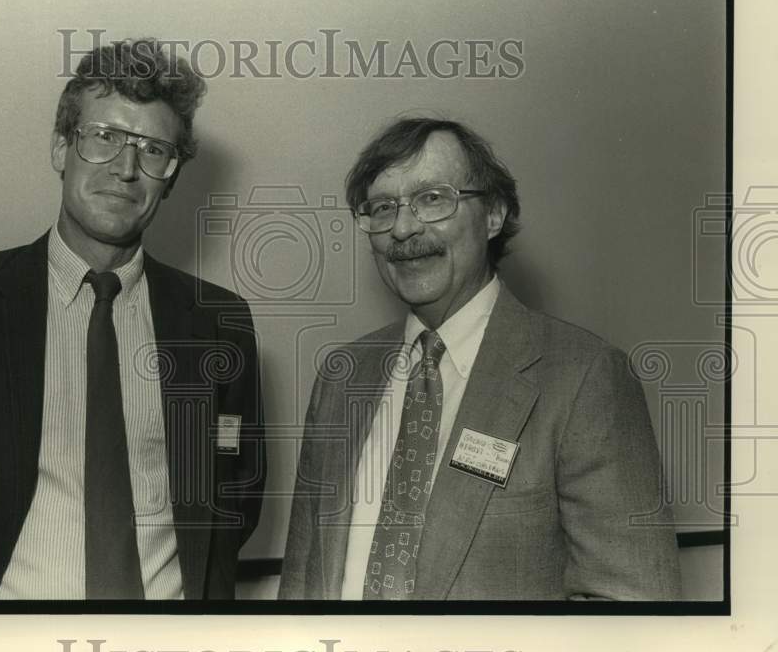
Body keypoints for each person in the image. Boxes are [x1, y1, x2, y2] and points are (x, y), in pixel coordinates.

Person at [0, 38, 265, 600]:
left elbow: (233, 503)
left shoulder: (220, 323)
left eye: (153, 149)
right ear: (59, 149)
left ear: (171, 176)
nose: (125, 168)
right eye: (104, 138)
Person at [279, 117, 679, 601]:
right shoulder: (342, 377)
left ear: (493, 214)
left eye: (433, 198)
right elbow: (301, 585)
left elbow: (631, 609)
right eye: (382, 208)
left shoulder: (584, 377)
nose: (403, 229)